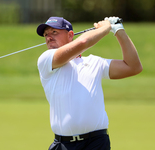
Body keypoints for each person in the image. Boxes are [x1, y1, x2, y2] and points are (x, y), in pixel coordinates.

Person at [36, 16, 142, 150]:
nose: (48, 37)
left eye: (54, 32)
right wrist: (107, 27)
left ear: (70, 35)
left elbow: (133, 67)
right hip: (64, 145)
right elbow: (83, 42)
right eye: (46, 34)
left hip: (97, 143)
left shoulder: (94, 62)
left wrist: (118, 30)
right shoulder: (46, 60)